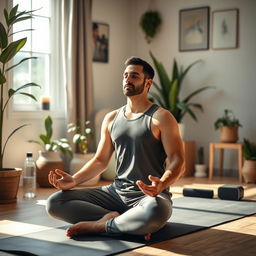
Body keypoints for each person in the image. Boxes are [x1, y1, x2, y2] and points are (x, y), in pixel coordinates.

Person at [46, 57, 185, 240]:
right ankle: (124, 223)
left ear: (148, 83)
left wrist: (162, 183)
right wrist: (74, 180)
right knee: (55, 202)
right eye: (125, 76)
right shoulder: (111, 118)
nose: (128, 80)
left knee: (156, 211)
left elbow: (178, 161)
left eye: (134, 76)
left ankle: (101, 225)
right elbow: (100, 160)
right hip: (115, 194)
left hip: (149, 197)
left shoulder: (161, 117)